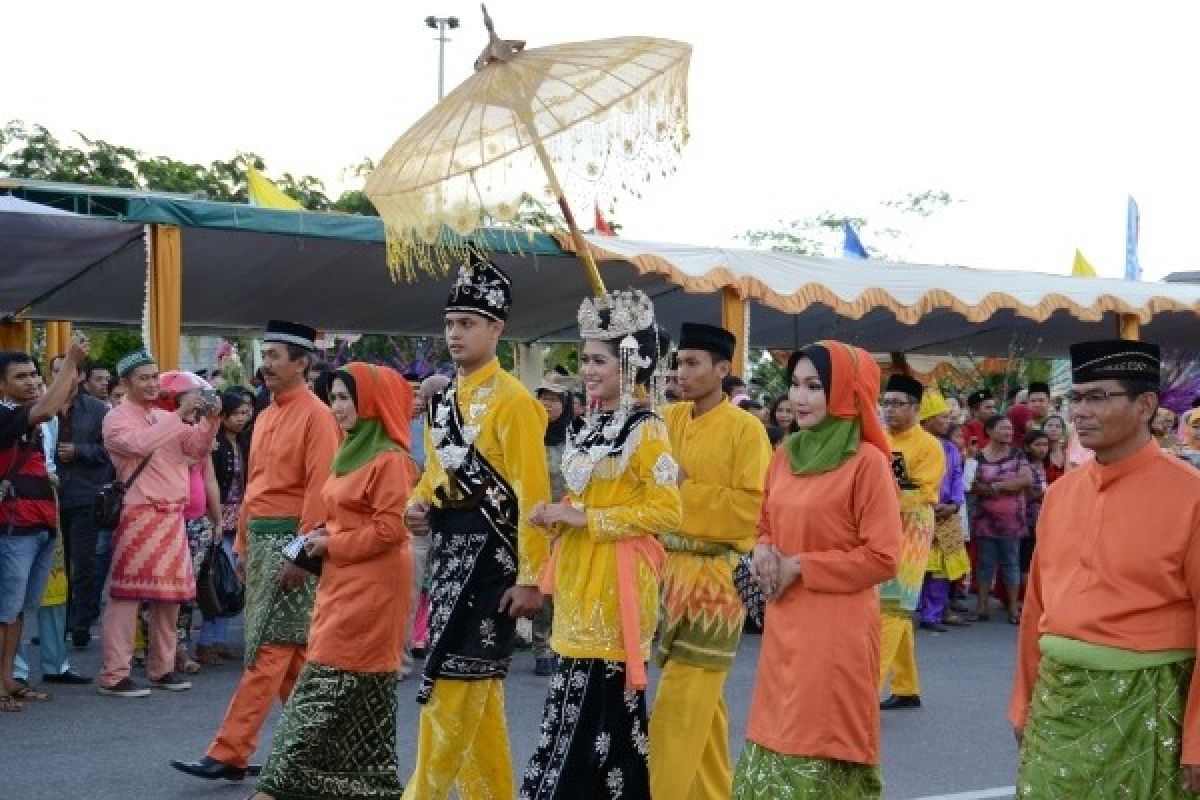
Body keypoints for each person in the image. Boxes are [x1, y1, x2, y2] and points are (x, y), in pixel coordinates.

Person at [1009, 340, 1200, 797]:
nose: (1081, 412)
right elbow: (1037, 607)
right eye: (1077, 397)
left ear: (1145, 405)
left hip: (1145, 702)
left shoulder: (1190, 494)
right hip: (1058, 701)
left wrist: (1196, 741)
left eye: (1098, 397)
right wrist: (1024, 701)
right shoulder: (1059, 495)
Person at [522, 288, 682, 800]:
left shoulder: (647, 429)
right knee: (574, 699)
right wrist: (557, 515)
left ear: (630, 363)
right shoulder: (588, 425)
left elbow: (666, 511)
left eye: (598, 359)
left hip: (617, 583)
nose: (586, 369)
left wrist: (583, 516)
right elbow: (583, 498)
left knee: (599, 704)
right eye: (585, 359)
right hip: (577, 574)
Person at [402, 252, 551, 800]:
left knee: (449, 691)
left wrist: (533, 576)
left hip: (493, 560)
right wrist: (417, 505)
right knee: (475, 694)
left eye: (467, 323)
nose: (455, 333)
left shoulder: (515, 402)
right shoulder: (444, 402)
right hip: (449, 552)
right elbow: (431, 476)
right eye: (449, 323)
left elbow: (533, 494)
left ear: (496, 328)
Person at [172, 320, 341, 781]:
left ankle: (231, 750)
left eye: (274, 357)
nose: (265, 365)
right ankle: (319, 749)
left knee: (268, 650)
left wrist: (302, 556)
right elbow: (252, 488)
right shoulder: (266, 413)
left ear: (302, 362)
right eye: (264, 356)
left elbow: (319, 489)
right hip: (261, 543)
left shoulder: (318, 416)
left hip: (291, 545)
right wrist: (243, 544)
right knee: (287, 655)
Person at [732, 341, 900, 799]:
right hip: (785, 620)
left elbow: (884, 557)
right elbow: (766, 519)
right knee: (775, 728)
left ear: (848, 392)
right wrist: (764, 549)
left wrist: (802, 566)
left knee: (816, 739)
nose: (798, 397)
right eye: (795, 385)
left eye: (815, 386)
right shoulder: (786, 454)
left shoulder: (867, 464)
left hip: (835, 630)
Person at [253, 363, 419, 800]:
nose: (337, 406)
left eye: (347, 397)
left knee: (323, 686)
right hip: (340, 581)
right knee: (335, 680)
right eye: (335, 397)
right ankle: (364, 785)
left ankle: (274, 788)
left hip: (375, 587)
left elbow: (390, 530)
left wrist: (333, 543)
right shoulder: (350, 452)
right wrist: (322, 540)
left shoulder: (392, 461)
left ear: (372, 403)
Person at [648, 323, 771, 800]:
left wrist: (682, 486)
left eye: (693, 363)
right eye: (679, 362)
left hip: (718, 578)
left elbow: (752, 507)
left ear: (723, 370)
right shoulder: (665, 419)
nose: (682, 371)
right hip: (669, 571)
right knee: (706, 704)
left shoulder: (748, 430)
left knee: (680, 702)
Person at [97, 349, 221, 698]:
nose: (152, 384)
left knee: (170, 599)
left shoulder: (161, 416)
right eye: (144, 378)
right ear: (125, 383)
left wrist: (210, 420)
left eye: (155, 377)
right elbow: (138, 445)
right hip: (139, 514)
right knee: (127, 597)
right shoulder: (116, 418)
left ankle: (162, 668)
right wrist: (179, 414)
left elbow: (195, 450)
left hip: (172, 517)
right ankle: (114, 674)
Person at [0, 341, 90, 712]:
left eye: (34, 374)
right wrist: (69, 361)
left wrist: (68, 369)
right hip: (12, 525)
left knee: (20, 610)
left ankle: (8, 678)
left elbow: (58, 398)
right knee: (5, 611)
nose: (31, 381)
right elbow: (52, 404)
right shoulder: (4, 415)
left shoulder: (26, 415)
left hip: (38, 523)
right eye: (21, 376)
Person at [878, 373, 945, 711]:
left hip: (912, 528)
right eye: (886, 403)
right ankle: (906, 688)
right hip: (879, 525)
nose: (889, 410)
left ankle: (865, 690)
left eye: (897, 404)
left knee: (891, 607)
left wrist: (878, 496)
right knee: (895, 606)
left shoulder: (928, 446)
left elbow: (923, 494)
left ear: (916, 408)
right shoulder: (876, 439)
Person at [51, 355, 113, 650]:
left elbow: (111, 452)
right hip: (48, 498)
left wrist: (80, 450)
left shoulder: (99, 410)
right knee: (53, 567)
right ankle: (55, 624)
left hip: (85, 496)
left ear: (80, 376)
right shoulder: (42, 407)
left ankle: (80, 622)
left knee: (83, 565)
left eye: (69, 370)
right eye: (56, 370)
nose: (63, 375)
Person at [196, 388, 253, 665]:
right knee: (215, 580)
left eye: (246, 412)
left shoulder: (241, 442)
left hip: (238, 517)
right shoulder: (215, 444)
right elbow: (212, 484)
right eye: (238, 413)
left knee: (229, 580)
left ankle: (217, 640)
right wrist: (215, 518)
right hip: (217, 518)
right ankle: (206, 642)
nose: (243, 418)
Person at [915, 390, 971, 632]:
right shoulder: (912, 444)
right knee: (914, 566)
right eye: (943, 417)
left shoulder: (950, 448)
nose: (948, 422)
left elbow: (957, 478)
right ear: (927, 419)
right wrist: (923, 503)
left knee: (941, 570)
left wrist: (954, 504)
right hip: (917, 514)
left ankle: (933, 615)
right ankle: (907, 613)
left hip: (947, 514)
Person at [969, 415, 1032, 624]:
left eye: (1010, 429)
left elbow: (1026, 479)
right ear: (989, 431)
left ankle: (1014, 608)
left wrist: (996, 487)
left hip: (1012, 521)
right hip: (985, 520)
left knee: (1011, 563)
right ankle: (982, 606)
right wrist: (1002, 485)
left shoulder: (1018, 454)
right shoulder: (978, 456)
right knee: (985, 564)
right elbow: (971, 484)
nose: (1009, 432)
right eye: (1003, 428)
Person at [531, 378, 573, 677]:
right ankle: (541, 646)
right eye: (543, 398)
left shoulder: (577, 436)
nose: (549, 405)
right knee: (541, 586)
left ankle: (563, 642)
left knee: (566, 585)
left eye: (555, 399)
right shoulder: (529, 436)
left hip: (571, 523)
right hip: (536, 523)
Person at [1020, 428, 1050, 600]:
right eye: (1037, 445)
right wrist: (1048, 492)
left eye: (1045, 444)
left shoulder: (1042, 466)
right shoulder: (1027, 467)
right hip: (1028, 519)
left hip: (1042, 518)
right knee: (1026, 561)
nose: (1042, 448)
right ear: (1027, 447)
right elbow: (1027, 495)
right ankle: (1027, 598)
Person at [1041, 413, 1067, 484]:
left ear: (1063, 431)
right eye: (1050, 426)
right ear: (1043, 429)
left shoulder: (1068, 453)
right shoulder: (1038, 454)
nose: (1053, 429)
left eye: (1058, 426)